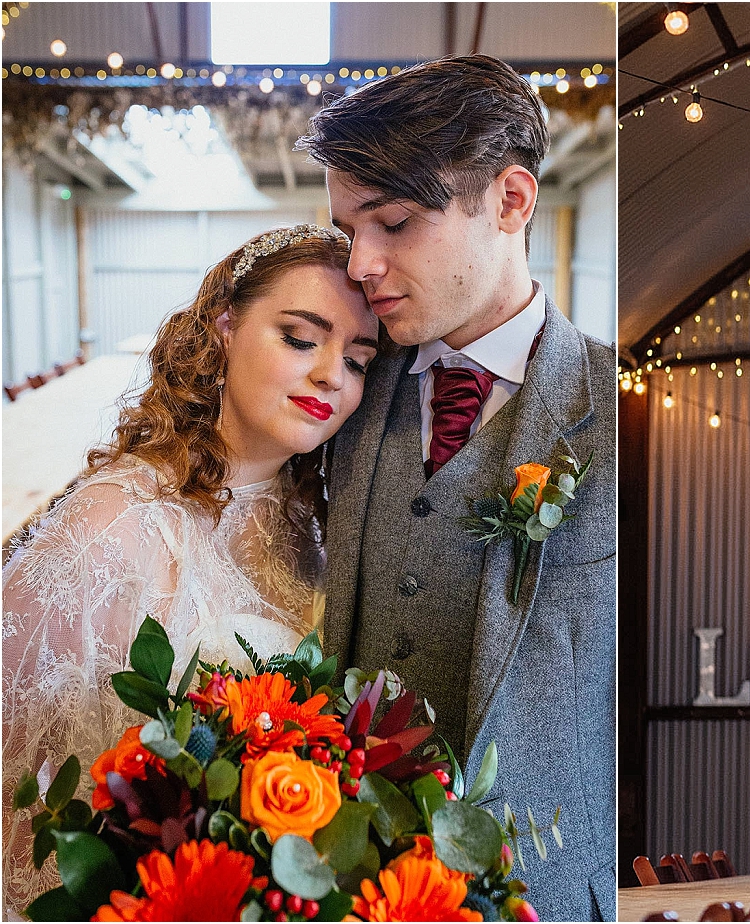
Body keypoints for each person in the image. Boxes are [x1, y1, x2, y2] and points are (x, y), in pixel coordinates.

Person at [297, 53, 617, 921]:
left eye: (393, 222)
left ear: (511, 201)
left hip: (546, 890)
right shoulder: (339, 387)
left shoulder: (619, 408)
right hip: (344, 881)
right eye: (347, 227)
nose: (361, 263)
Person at [2, 225, 375, 911]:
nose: (332, 374)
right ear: (225, 329)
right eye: (300, 338)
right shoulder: (108, 527)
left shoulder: (319, 530)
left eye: (358, 360)